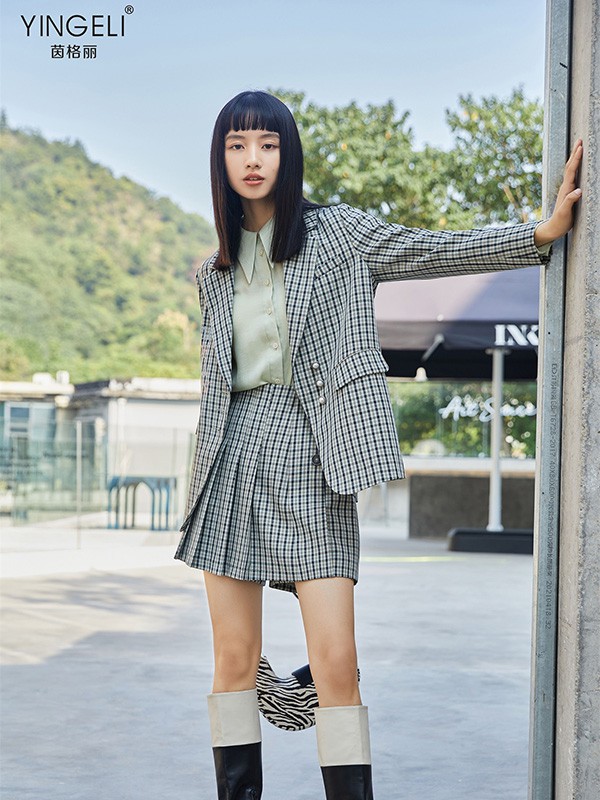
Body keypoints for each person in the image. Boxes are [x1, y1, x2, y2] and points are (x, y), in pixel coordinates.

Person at [174, 89, 583, 799]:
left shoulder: (339, 234)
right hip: (231, 461)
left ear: (288, 155)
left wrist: (538, 234)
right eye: (237, 145)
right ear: (220, 159)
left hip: (312, 457)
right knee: (234, 661)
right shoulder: (212, 273)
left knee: (336, 663)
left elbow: (431, 250)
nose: (253, 159)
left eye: (268, 144)